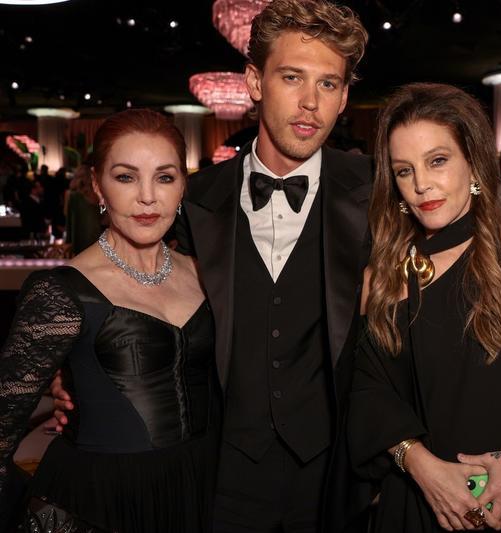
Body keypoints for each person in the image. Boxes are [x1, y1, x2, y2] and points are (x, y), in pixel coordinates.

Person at [118, 2, 365, 532]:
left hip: (334, 479)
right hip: (218, 473)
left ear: (345, 97)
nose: (309, 103)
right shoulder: (194, 200)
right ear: (254, 81)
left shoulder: (377, 194)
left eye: (328, 85)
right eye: (292, 77)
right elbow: (136, 293)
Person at [348, 83, 501, 532]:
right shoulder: (384, 275)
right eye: (403, 170)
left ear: (473, 162)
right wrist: (420, 466)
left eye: (438, 161)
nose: (421, 185)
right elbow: (366, 392)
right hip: (419, 505)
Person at [0, 109, 217, 532]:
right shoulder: (60, 291)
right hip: (103, 502)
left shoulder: (208, 275)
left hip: (201, 489)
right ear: (98, 185)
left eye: (165, 177)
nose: (148, 197)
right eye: (126, 177)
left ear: (183, 186)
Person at [64, 164, 104, 254]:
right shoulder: (74, 197)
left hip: (96, 239)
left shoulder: (99, 195)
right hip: (83, 240)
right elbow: (69, 220)